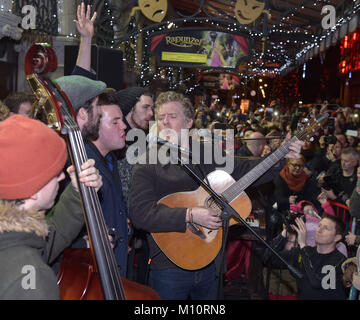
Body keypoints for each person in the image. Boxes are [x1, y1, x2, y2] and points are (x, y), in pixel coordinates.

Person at [129, 91, 304, 300]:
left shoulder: (207, 153)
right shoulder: (147, 161)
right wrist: (189, 215)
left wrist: (282, 156)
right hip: (169, 266)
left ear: (189, 122)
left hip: (211, 263)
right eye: (161, 117)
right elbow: (139, 213)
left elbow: (246, 169)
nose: (165, 122)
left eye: (172, 116)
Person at [0, 115, 102, 299]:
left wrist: (77, 193)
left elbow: (46, 243)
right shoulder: (31, 280)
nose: (62, 178)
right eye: (55, 174)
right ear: (33, 190)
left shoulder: (12, 241)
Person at [264, 214, 347, 300]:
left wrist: (303, 244)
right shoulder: (304, 252)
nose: (319, 230)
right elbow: (268, 258)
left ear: (337, 237)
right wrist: (284, 233)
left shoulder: (339, 260)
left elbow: (316, 282)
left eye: (326, 228)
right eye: (319, 225)